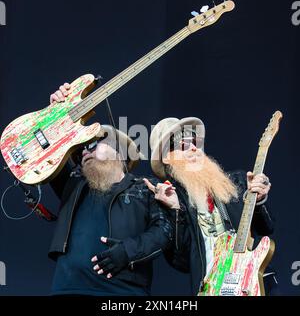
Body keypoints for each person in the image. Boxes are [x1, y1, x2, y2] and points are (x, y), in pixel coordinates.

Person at [47, 84, 173, 296]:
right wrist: (54, 114)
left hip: (123, 293)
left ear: (120, 152)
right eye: (83, 147)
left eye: (94, 143)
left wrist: (127, 252)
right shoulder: (73, 185)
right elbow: (49, 149)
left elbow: (164, 232)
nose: (85, 151)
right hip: (67, 290)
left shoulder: (144, 188)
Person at [144, 117, 279, 296]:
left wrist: (259, 199)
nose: (194, 148)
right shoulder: (172, 201)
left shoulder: (236, 181)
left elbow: (267, 227)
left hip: (252, 282)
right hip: (212, 288)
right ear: (168, 157)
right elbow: (181, 262)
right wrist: (176, 211)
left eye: (196, 143)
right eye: (183, 145)